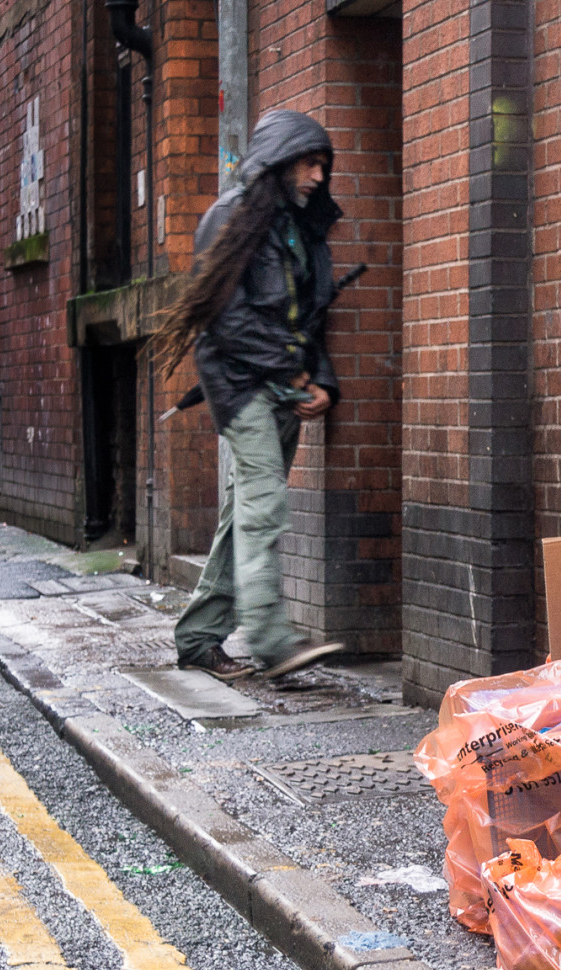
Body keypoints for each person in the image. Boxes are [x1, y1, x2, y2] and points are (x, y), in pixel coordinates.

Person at [152, 110, 347, 682]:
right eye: (309, 162)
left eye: (323, 165)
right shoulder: (231, 220)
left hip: (284, 387)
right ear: (282, 160)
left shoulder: (299, 228)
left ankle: (197, 636)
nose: (317, 175)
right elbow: (228, 322)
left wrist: (323, 383)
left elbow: (312, 318)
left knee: (244, 513)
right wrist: (294, 376)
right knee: (264, 509)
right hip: (241, 388)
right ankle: (271, 640)